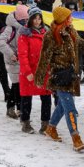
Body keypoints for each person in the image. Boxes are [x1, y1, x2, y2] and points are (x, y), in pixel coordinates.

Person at [36, 6, 84, 152]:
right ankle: (76, 138)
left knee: (63, 106)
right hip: (60, 76)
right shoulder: (50, 35)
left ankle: (51, 128)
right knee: (70, 108)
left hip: (72, 75)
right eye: (69, 17)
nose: (72, 19)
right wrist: (40, 78)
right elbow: (44, 58)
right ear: (63, 19)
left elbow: (82, 46)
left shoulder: (72, 31)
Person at [17, 7, 52, 135]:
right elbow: (22, 55)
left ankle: (45, 123)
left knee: (46, 97)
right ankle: (25, 122)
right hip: (30, 71)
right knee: (26, 97)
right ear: (30, 19)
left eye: (39, 18)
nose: (37, 21)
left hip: (44, 71)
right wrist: (27, 72)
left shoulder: (46, 33)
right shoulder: (24, 35)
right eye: (35, 18)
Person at [0, 5, 29, 119]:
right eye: (25, 19)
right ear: (19, 18)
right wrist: (11, 54)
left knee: (19, 85)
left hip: (22, 60)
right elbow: (0, 42)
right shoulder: (10, 28)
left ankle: (13, 108)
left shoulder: (24, 28)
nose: (26, 21)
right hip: (13, 61)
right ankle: (16, 109)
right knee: (17, 85)